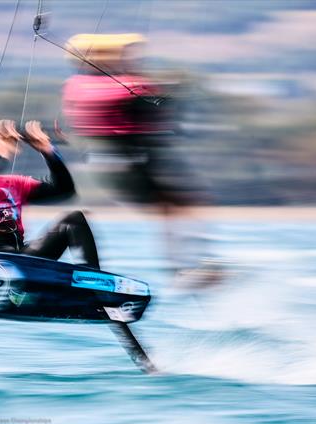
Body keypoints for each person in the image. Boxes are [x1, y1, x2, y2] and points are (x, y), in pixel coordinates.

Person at [61, 33, 224, 286]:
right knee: (174, 207)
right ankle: (185, 269)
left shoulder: (76, 84)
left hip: (124, 162)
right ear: (104, 58)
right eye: (123, 55)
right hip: (128, 163)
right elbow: (151, 101)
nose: (128, 59)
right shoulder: (119, 85)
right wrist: (170, 90)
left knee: (178, 206)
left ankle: (189, 267)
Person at [0, 119, 99, 270]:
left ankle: (92, 280)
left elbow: (64, 190)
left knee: (74, 219)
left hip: (20, 259)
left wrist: (48, 151)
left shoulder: (13, 184)